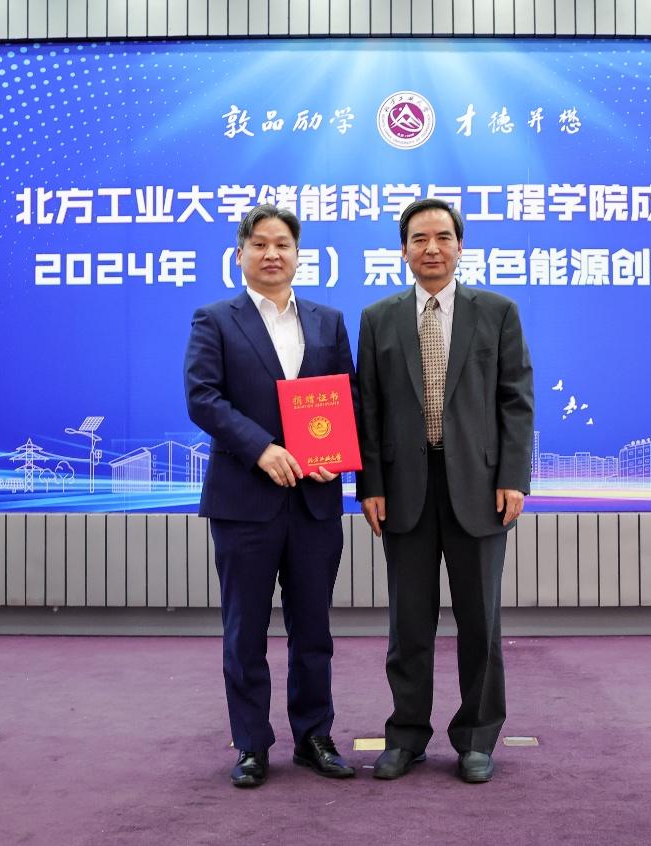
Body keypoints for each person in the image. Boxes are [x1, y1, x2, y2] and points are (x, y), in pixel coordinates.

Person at [355, 198, 534, 784]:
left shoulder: (497, 312)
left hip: (479, 488)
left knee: (480, 622)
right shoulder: (378, 318)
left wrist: (513, 477)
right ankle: (406, 734)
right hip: (404, 488)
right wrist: (369, 484)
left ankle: (477, 737)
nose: (431, 248)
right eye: (419, 239)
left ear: (460, 246)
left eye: (442, 237)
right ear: (403, 250)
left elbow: (515, 401)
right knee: (409, 623)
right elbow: (368, 409)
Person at [185, 204, 356, 788]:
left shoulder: (329, 321)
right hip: (244, 499)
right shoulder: (215, 319)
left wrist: (336, 454)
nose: (272, 254)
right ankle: (252, 744)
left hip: (314, 502)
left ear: (298, 254)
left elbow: (347, 398)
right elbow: (203, 398)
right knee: (246, 630)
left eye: (282, 244)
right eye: (259, 244)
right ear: (240, 255)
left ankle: (314, 736)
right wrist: (261, 448)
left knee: (314, 631)